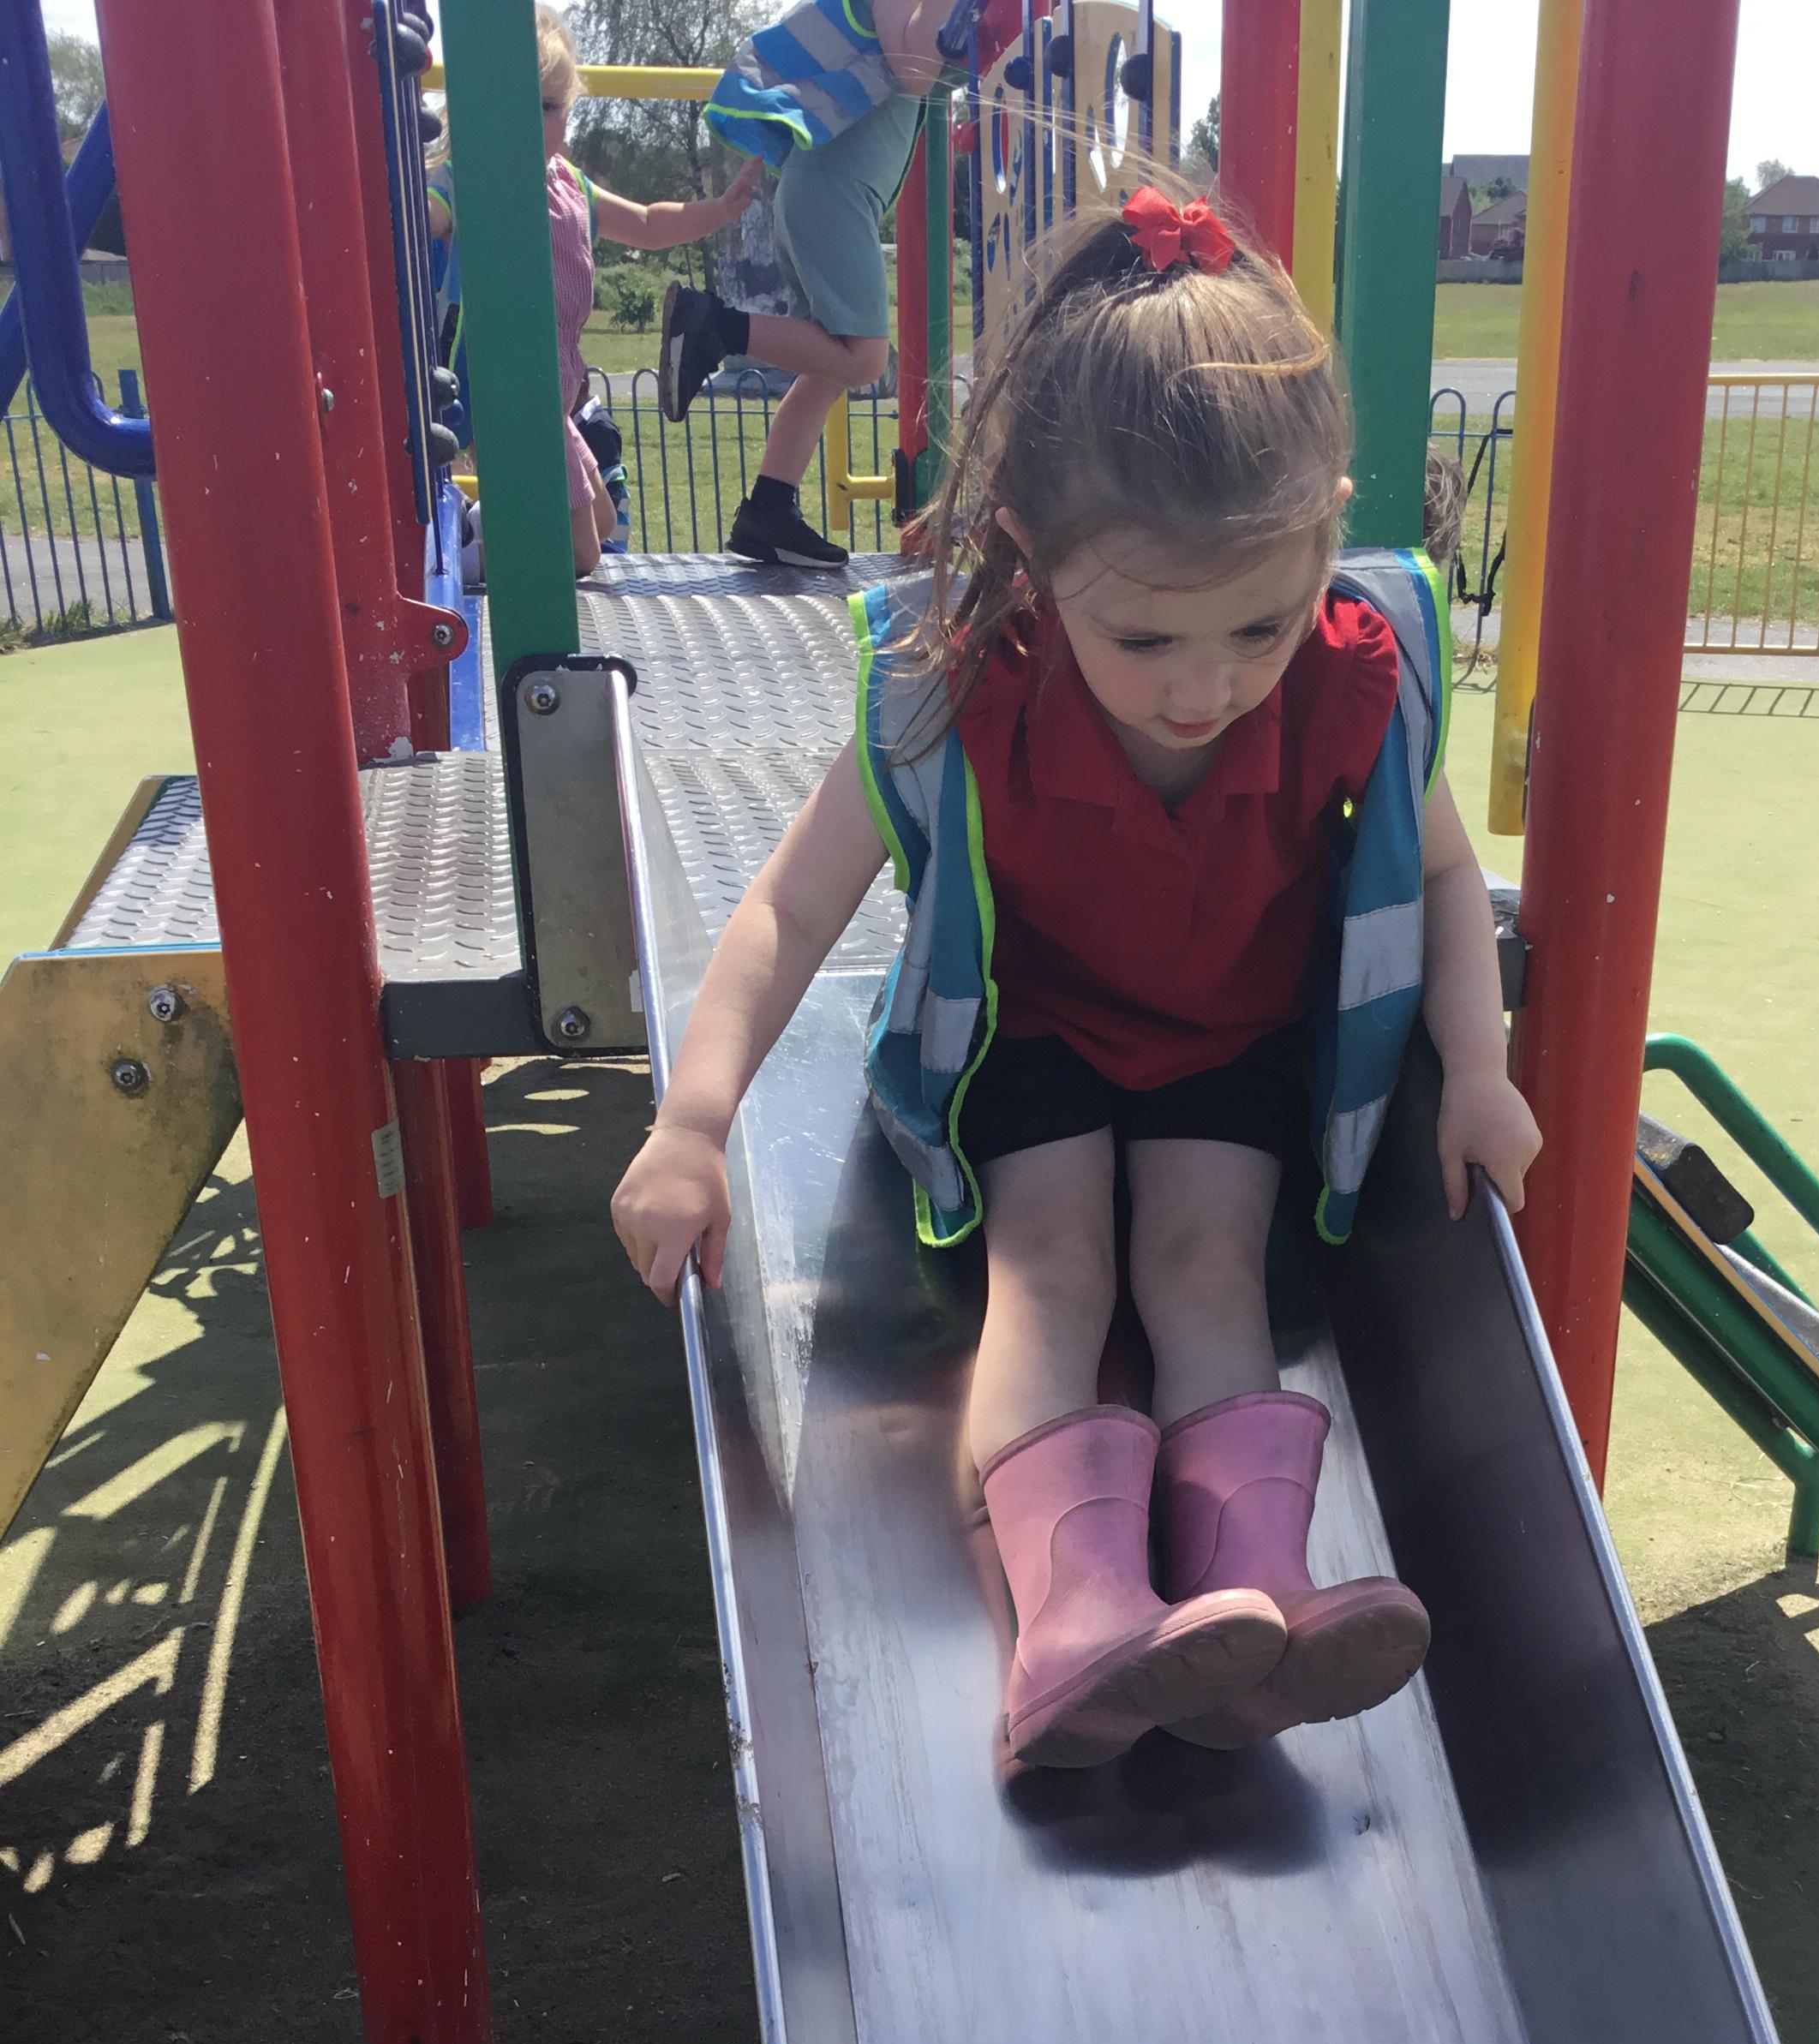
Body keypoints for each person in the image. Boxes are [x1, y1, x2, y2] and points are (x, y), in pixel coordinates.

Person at [613, 191, 1540, 1771]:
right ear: (1033, 557)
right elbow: (786, 905)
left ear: (1325, 530)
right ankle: (1074, 1612)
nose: (1206, 685)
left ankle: (1258, 1595)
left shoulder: (1347, 677)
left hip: (1227, 1043)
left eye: (1255, 626)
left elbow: (1450, 877)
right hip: (1028, 1036)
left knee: (1205, 1268)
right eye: (1147, 640)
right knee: (1052, 1268)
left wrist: (1478, 1070)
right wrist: (692, 1124)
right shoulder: (956, 685)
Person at [658, 0, 1020, 569]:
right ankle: (713, 326)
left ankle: (768, 510)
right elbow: (912, 68)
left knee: (828, 364)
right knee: (864, 360)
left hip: (826, 191)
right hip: (833, 192)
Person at [429, 9, 764, 579]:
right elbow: (427, 214)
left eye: (550, 107)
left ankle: (475, 528)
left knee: (604, 521)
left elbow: (649, 223)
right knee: (581, 554)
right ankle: (458, 564)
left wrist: (718, 210)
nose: (537, 122)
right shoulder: (472, 179)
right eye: (520, 105)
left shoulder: (568, 184)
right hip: (507, 396)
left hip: (551, 398)